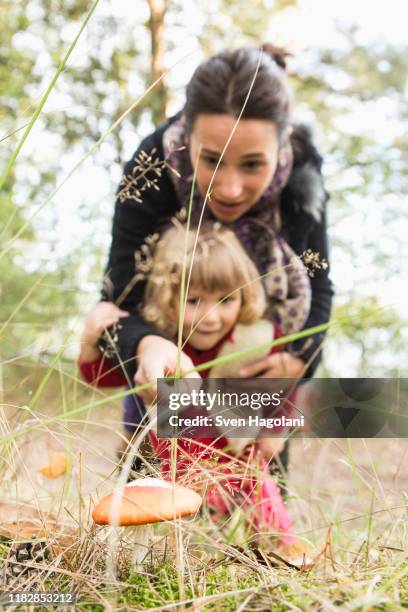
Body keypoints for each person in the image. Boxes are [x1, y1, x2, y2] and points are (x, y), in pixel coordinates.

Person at [101, 44, 334, 472]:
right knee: (151, 503)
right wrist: (147, 343)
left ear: (282, 145)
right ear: (187, 134)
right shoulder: (151, 169)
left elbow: (318, 286)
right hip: (170, 369)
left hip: (253, 374)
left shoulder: (302, 179)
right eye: (211, 160)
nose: (228, 189)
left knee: (252, 515)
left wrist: (298, 360)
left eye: (251, 165)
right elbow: (119, 299)